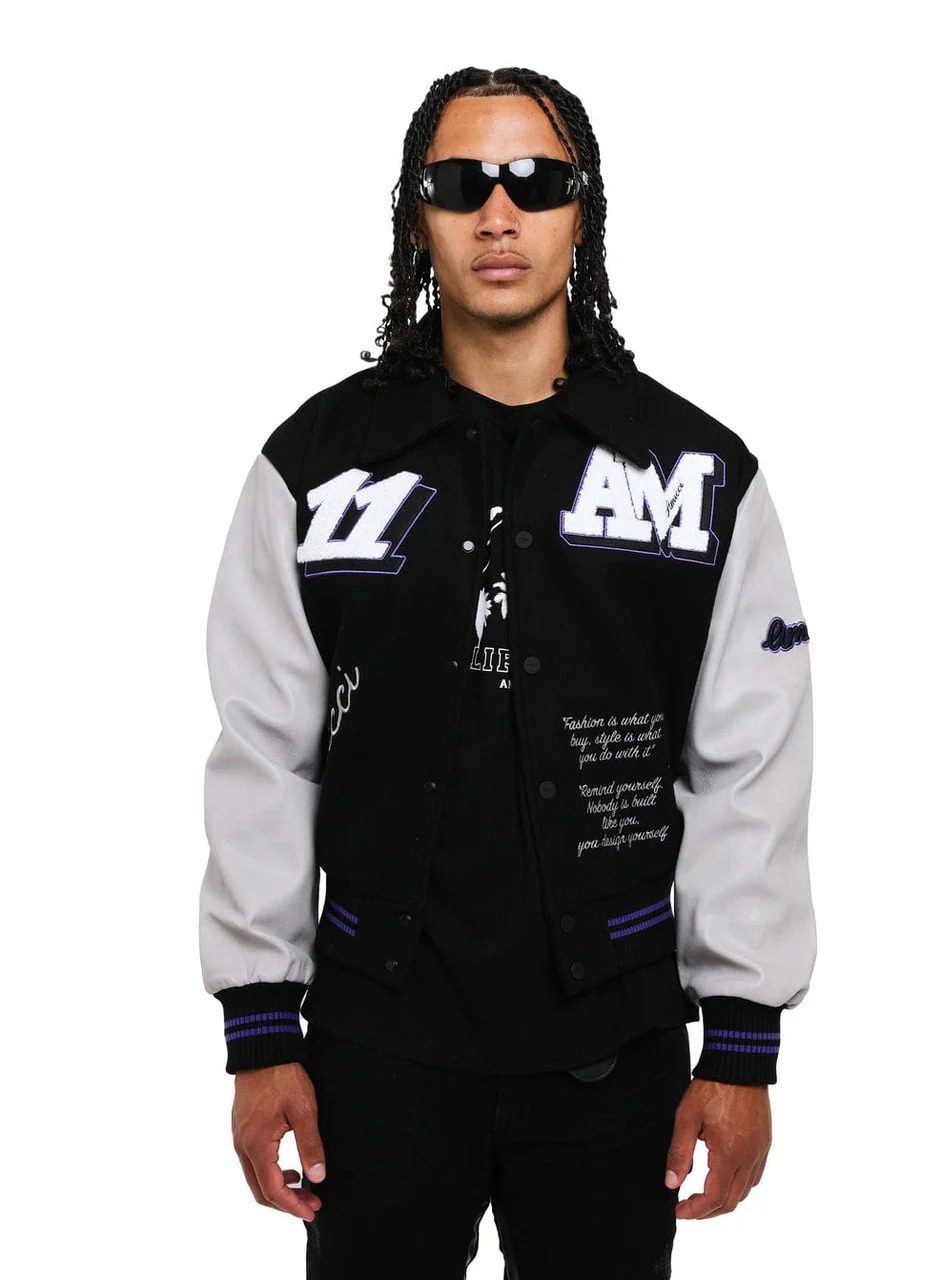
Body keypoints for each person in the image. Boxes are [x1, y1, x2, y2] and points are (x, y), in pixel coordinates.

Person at [198, 65, 817, 1279]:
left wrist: (742, 1044)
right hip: (374, 1046)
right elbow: (264, 752)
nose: (498, 212)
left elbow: (751, 762)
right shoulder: (315, 466)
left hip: (614, 1043)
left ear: (583, 213)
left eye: (535, 181)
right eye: (459, 182)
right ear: (415, 217)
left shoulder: (695, 471)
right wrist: (260, 1031)